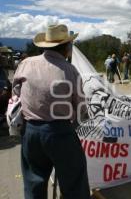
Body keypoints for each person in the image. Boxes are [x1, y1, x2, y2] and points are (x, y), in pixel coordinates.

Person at [13, 24, 91, 199]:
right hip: (60, 133)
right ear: (66, 48)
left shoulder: (26, 64)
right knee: (74, 184)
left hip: (31, 132)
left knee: (34, 183)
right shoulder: (69, 70)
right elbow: (81, 106)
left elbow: (16, 93)